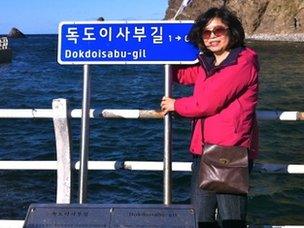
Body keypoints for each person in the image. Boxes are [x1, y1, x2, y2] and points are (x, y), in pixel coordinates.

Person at [160, 7, 259, 228]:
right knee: (200, 218)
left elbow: (207, 103)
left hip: (230, 151)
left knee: (230, 219)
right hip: (203, 150)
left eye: (218, 30)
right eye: (206, 33)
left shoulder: (242, 62)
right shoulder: (211, 62)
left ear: (231, 32)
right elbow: (184, 75)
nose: (212, 36)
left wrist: (175, 104)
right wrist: (162, 54)